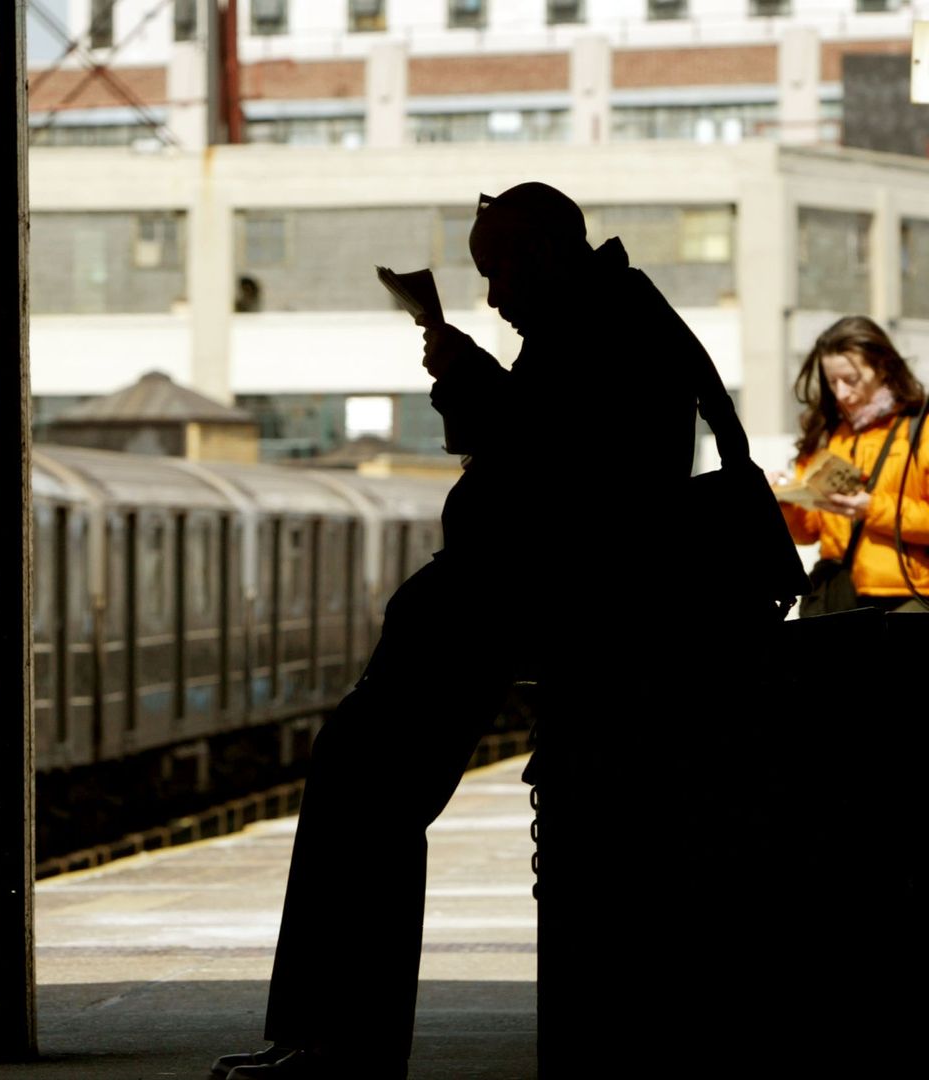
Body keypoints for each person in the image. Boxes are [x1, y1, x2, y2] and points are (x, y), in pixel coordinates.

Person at [209, 183, 715, 1078]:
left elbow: (569, 478)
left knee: (360, 778)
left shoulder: (601, 330)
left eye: (498, 272)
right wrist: (477, 379)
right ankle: (329, 1038)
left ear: (541, 255)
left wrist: (474, 377)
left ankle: (334, 1044)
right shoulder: (610, 318)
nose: (491, 296)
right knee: (365, 780)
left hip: (515, 599)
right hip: (530, 599)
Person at [769, 316, 929, 613]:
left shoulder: (920, 428)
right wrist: (784, 502)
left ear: (883, 368)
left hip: (906, 596)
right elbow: (809, 533)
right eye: (833, 382)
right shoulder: (828, 434)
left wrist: (872, 508)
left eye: (850, 380)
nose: (842, 393)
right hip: (834, 596)